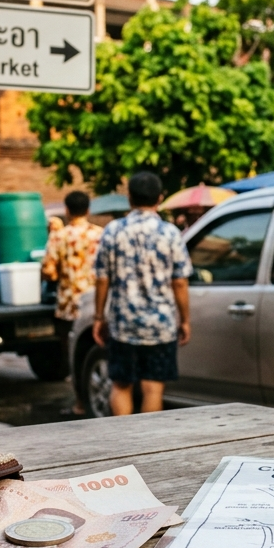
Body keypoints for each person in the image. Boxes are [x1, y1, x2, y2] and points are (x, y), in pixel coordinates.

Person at [92, 172, 192, 416]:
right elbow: (179, 282)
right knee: (153, 387)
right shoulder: (170, 233)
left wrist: (98, 317)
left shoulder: (112, 231)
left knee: (121, 385)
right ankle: (147, 448)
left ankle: (125, 445)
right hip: (160, 326)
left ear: (129, 199)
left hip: (123, 324)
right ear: (160, 198)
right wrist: (185, 320)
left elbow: (102, 279)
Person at [42, 190, 103, 415]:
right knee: (97, 354)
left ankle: (79, 403)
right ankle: (98, 399)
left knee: (73, 355)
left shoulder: (59, 236)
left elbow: (49, 271)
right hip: (97, 304)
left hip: (69, 305)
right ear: (88, 210)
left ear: (67, 210)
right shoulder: (101, 234)